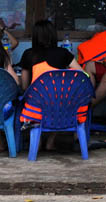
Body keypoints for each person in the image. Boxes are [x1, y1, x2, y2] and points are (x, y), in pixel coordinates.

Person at [20, 19, 83, 149]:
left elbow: (25, 86)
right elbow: (82, 75)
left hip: (36, 106)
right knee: (58, 97)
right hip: (62, 105)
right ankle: (51, 140)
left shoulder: (28, 54)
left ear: (35, 36)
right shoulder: (64, 53)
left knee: (33, 99)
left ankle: (36, 141)